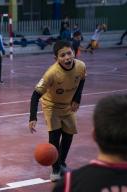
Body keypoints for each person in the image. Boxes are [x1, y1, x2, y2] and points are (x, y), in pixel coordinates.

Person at [28, 40, 86, 181]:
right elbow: (35, 95)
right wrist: (33, 117)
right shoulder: (51, 73)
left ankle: (61, 162)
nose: (67, 57)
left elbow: (82, 80)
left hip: (67, 106)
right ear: (56, 59)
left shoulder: (81, 66)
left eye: (69, 53)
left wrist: (77, 98)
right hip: (51, 106)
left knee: (68, 135)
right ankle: (55, 169)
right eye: (62, 55)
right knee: (55, 136)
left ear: (74, 52)